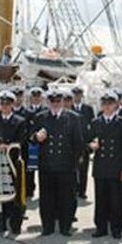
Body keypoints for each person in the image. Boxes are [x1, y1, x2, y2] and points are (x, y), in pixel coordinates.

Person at [31, 90, 84, 236]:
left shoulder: (73, 118)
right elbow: (30, 138)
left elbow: (78, 142)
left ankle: (65, 227)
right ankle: (47, 227)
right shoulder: (40, 117)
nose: (55, 104)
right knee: (46, 198)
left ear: (62, 101)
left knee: (66, 197)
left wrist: (75, 164)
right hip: (47, 165)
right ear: (48, 102)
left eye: (58, 101)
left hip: (66, 166)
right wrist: (36, 137)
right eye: (52, 101)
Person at [86, 91, 122, 238]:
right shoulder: (96, 122)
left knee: (117, 200)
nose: (107, 106)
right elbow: (86, 141)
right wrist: (91, 145)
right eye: (104, 103)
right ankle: (101, 227)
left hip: (117, 166)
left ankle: (116, 227)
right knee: (101, 199)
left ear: (116, 105)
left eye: (110, 103)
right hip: (101, 166)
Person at [0, 90, 29, 235]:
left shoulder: (19, 121)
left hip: (13, 162)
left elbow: (22, 140)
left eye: (8, 104)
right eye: (3, 103)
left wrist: (10, 145)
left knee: (15, 194)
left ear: (12, 104)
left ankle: (15, 224)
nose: (5, 106)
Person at [70, 87, 94, 200]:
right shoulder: (69, 108)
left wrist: (90, 142)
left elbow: (92, 125)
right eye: (75, 94)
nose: (77, 96)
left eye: (79, 94)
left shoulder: (88, 109)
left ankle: (82, 191)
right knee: (72, 169)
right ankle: (73, 190)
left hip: (84, 142)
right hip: (71, 144)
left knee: (83, 169)